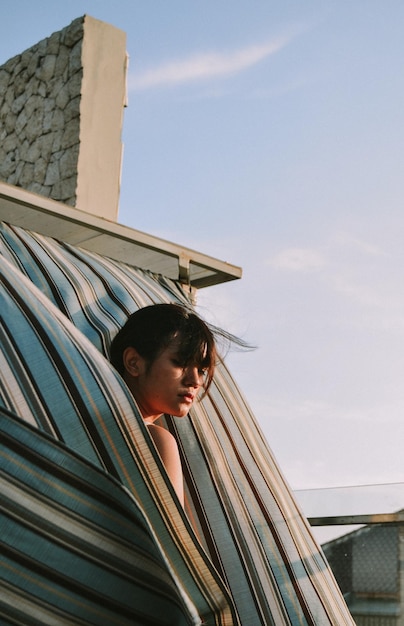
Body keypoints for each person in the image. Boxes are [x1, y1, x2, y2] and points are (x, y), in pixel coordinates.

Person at [110, 303, 219, 506]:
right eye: (180, 362)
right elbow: (171, 537)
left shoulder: (90, 427)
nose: (195, 381)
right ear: (133, 362)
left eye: (202, 370)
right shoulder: (155, 439)